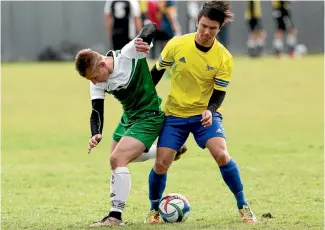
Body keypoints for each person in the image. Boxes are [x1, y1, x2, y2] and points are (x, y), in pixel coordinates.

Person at [135, 1, 257, 224]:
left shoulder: (224, 57)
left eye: (212, 28)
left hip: (203, 116)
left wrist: (211, 110)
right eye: (203, 26)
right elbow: (156, 73)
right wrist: (143, 101)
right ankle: (154, 210)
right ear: (197, 21)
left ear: (220, 29)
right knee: (161, 163)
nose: (206, 32)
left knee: (221, 154)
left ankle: (243, 205)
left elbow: (219, 93)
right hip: (174, 115)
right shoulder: (177, 44)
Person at [74, 23, 186, 227]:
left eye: (95, 77)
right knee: (115, 159)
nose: (96, 83)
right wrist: (95, 133)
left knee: (118, 158)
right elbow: (96, 110)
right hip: (129, 117)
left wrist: (144, 38)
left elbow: (150, 26)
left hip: (149, 116)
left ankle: (115, 217)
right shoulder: (96, 81)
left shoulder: (128, 54)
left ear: (101, 65)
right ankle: (166, 151)